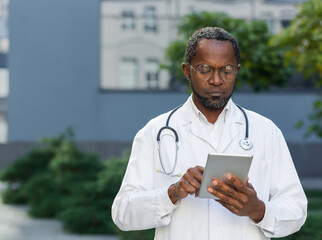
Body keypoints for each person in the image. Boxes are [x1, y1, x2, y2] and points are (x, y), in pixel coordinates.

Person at [112, 27, 307, 240]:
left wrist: (258, 210)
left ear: (237, 70)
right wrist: (172, 193)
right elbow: (122, 214)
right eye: (205, 69)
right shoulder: (156, 132)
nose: (216, 80)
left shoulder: (266, 132)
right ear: (187, 71)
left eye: (227, 70)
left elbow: (297, 211)